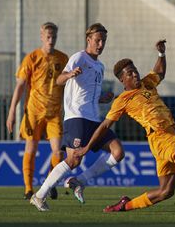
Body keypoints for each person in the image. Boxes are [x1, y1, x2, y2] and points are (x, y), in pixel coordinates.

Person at [73, 39, 175, 213]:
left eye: (135, 71)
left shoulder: (146, 83)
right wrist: (87, 147)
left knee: (166, 192)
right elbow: (105, 125)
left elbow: (160, 72)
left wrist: (161, 54)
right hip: (161, 137)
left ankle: (124, 205)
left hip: (165, 137)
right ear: (122, 79)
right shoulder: (122, 101)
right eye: (130, 73)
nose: (135, 75)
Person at [30, 23, 124, 211]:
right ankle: (39, 195)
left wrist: (102, 98)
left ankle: (79, 181)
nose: (100, 44)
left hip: (94, 119)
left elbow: (87, 93)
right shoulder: (79, 57)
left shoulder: (100, 65)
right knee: (74, 160)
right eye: (97, 40)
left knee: (118, 152)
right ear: (89, 40)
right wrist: (70, 74)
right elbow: (59, 79)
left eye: (103, 41)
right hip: (77, 117)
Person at [6, 22, 68, 200]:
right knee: (31, 149)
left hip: (54, 112)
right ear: (42, 36)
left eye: (54, 37)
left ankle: (50, 181)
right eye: (48, 37)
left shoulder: (63, 58)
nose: (51, 40)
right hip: (33, 112)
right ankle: (28, 188)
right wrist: (11, 112)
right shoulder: (32, 58)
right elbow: (20, 86)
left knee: (58, 152)